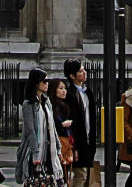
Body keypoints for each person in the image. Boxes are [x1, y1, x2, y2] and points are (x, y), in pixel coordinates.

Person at [16, 67, 64, 185]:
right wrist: (35, 153)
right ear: (36, 83)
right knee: (37, 181)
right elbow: (30, 130)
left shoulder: (46, 102)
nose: (47, 84)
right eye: (44, 81)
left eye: (47, 81)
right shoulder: (28, 104)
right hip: (36, 150)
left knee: (55, 181)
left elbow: (52, 126)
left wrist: (58, 147)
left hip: (49, 150)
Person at [63, 57, 99, 186]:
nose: (84, 73)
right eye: (80, 71)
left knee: (86, 175)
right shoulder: (70, 94)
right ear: (72, 76)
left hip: (89, 138)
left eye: (84, 70)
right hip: (77, 141)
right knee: (81, 174)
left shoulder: (87, 92)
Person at [50, 77, 75, 171]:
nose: (64, 91)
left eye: (65, 88)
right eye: (60, 88)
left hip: (67, 141)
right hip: (58, 142)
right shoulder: (53, 106)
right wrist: (62, 125)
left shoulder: (65, 105)